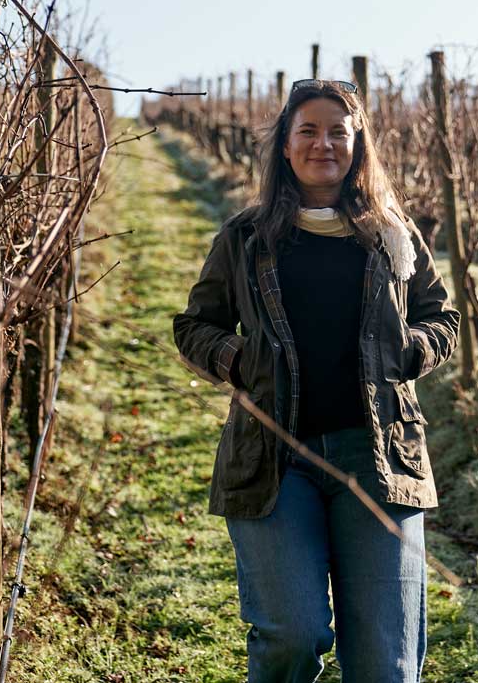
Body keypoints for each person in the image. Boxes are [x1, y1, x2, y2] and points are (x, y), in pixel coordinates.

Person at [172, 79, 460, 683]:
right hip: (274, 460)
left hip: (380, 458)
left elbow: (442, 317)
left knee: (386, 663)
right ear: (285, 144)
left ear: (358, 144)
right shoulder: (245, 238)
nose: (322, 144)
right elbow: (195, 326)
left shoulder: (392, 235)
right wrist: (239, 361)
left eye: (337, 132)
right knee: (293, 637)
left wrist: (411, 349)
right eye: (307, 131)